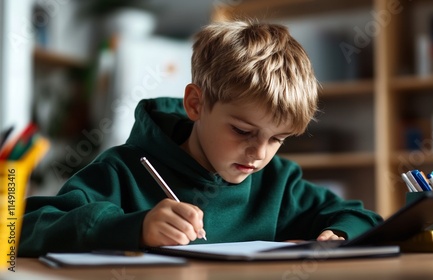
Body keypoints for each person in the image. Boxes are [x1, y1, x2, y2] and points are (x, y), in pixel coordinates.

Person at [19, 20, 382, 257]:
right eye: (242, 131)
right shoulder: (123, 170)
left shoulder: (279, 183)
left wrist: (338, 234)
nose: (259, 154)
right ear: (196, 103)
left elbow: (360, 217)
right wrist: (135, 227)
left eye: (278, 139)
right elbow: (22, 227)